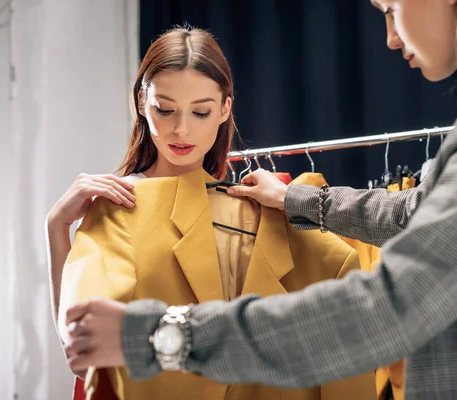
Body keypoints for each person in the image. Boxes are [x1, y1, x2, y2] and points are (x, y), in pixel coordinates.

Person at [63, 0, 457, 399]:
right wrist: (297, 198)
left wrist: (160, 335)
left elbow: (394, 304)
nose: (390, 36)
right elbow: (413, 213)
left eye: (390, 8)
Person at [50, 26, 376, 400]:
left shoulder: (308, 244)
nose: (181, 129)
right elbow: (81, 352)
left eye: (200, 111)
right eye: (165, 109)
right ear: (142, 102)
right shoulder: (120, 208)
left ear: (225, 108)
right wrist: (56, 228)